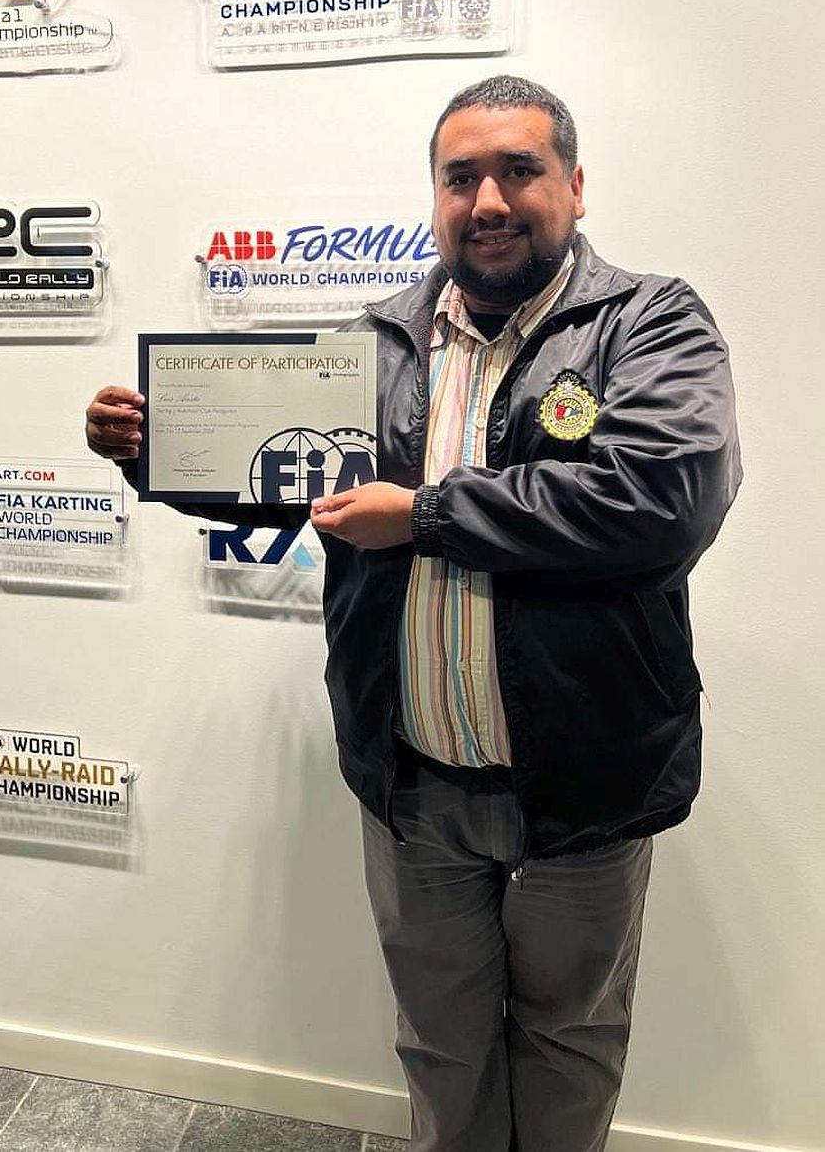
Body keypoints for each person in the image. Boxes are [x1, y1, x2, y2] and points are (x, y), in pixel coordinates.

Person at [85, 76, 741, 1152]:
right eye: (460, 177)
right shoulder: (378, 340)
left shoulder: (648, 321)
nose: (489, 200)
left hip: (585, 786)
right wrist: (153, 450)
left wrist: (426, 514)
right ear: (434, 197)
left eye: (519, 170)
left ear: (575, 185)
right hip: (415, 783)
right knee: (440, 1046)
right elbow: (286, 472)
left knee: (569, 1041)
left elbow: (662, 499)